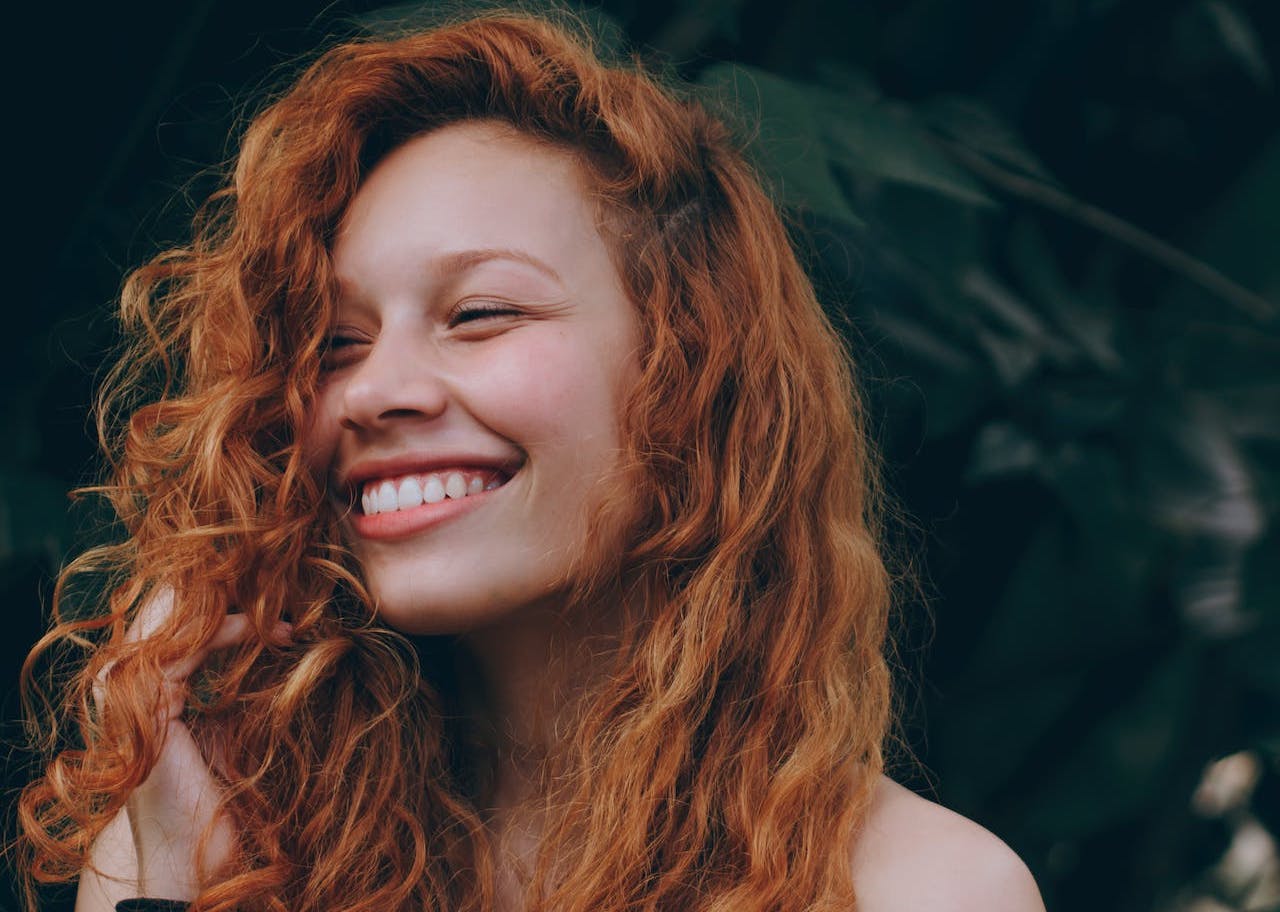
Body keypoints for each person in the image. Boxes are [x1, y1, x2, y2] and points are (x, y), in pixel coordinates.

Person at [18, 12, 1047, 912]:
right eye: (335, 342)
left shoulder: (920, 891)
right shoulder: (190, 834)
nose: (374, 390)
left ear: (692, 371)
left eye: (480, 313)